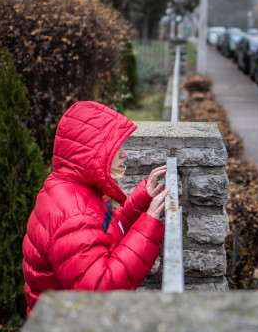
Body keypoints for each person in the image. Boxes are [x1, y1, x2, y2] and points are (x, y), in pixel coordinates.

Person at [22, 101, 168, 316]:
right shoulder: (74, 214)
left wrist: (141, 202)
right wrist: (149, 225)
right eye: (115, 147)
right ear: (91, 153)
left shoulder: (74, 189)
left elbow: (104, 234)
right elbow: (101, 291)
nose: (124, 154)